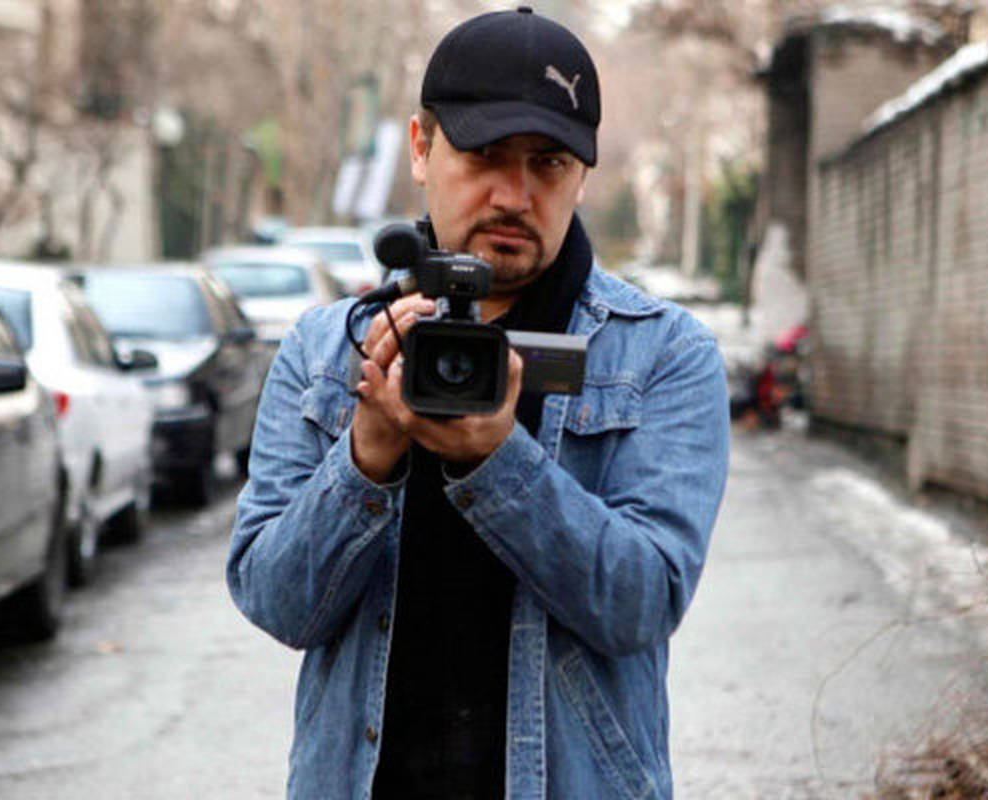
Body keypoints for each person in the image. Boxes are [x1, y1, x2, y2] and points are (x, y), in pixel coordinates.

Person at [227, 7, 729, 798]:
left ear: (582, 176)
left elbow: (640, 604)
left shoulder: (664, 355)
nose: (515, 194)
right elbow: (277, 603)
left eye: (549, 163)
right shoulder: (327, 353)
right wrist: (367, 455)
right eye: (485, 155)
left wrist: (497, 462)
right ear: (420, 149)